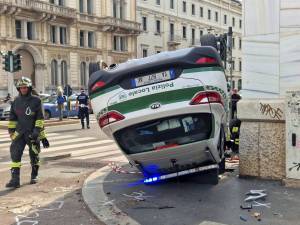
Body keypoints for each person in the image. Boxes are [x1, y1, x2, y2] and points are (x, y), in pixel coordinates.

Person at [5, 77, 45, 188]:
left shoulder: (36, 100)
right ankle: (15, 180)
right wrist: (11, 132)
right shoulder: (16, 101)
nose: (23, 89)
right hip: (19, 133)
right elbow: (12, 118)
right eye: (21, 87)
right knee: (15, 155)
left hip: (32, 133)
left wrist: (37, 131)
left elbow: (40, 118)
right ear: (18, 88)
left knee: (34, 154)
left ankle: (34, 175)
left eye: (25, 87)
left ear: (29, 87)